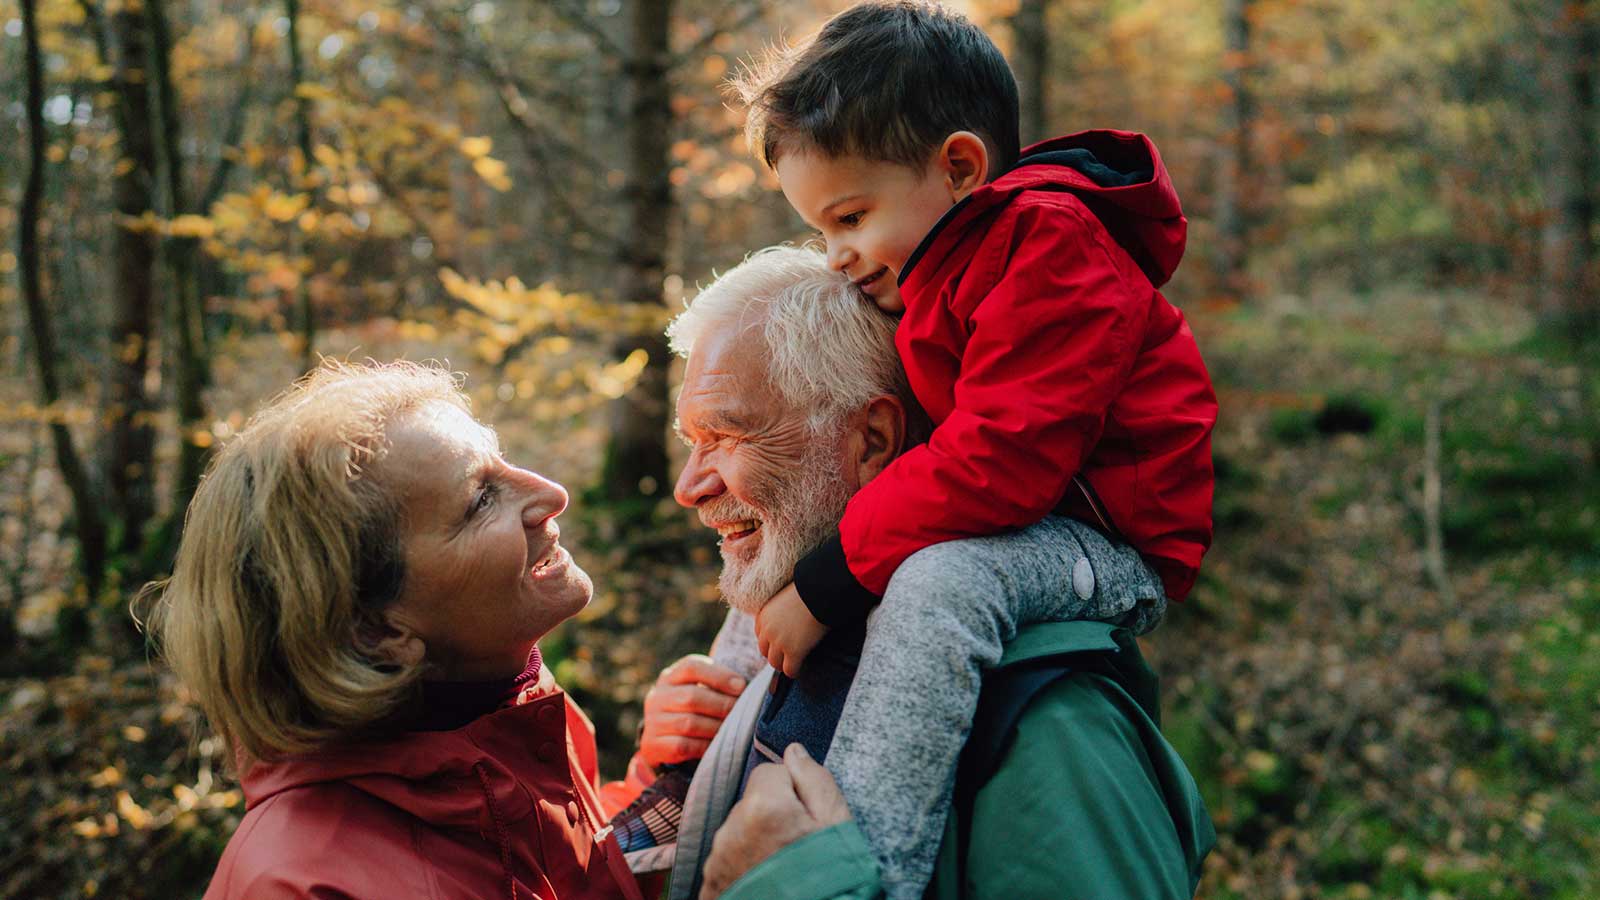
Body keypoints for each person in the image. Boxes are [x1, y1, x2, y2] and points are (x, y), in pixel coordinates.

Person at [722, 3, 1220, 894]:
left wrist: (833, 582)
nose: (837, 255)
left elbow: (1003, 462)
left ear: (958, 167)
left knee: (938, 584)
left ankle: (876, 864)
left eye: (849, 217)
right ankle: (713, 764)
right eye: (820, 232)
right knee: (797, 549)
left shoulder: (1052, 247)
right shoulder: (944, 264)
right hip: (1035, 519)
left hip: (1108, 544)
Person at [658, 246, 1213, 899]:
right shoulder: (790, 640)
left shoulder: (1047, 726)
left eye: (725, 436)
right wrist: (673, 766)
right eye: (690, 441)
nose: (687, 487)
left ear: (872, 440)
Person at [144, 361, 646, 900]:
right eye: (481, 499)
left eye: (503, 459)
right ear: (374, 631)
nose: (552, 493)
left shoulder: (507, 715)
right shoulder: (304, 887)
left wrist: (655, 779)